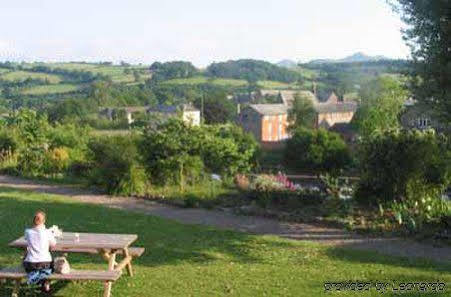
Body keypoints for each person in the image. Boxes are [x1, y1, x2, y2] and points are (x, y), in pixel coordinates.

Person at [23, 210, 57, 293]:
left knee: (24, 262)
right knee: (52, 267)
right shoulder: (48, 232)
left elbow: (26, 241)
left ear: (33, 220)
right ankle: (44, 280)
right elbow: (53, 244)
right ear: (44, 221)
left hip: (31, 263)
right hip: (45, 262)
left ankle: (35, 276)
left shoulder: (28, 232)